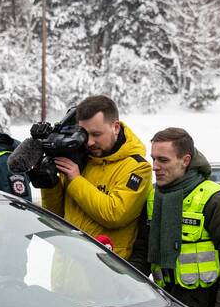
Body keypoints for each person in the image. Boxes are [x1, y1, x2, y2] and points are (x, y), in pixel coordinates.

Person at [127, 127, 220, 307]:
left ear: (185, 160)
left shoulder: (213, 199)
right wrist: (125, 287)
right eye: (153, 159)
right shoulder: (152, 197)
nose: (155, 166)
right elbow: (142, 252)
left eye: (163, 160)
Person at [40, 95, 152, 259]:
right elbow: (56, 215)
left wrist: (76, 180)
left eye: (97, 134)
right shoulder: (79, 159)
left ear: (115, 127)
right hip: (66, 269)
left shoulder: (137, 167)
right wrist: (49, 183)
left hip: (106, 271)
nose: (90, 142)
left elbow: (115, 214)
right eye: (85, 134)